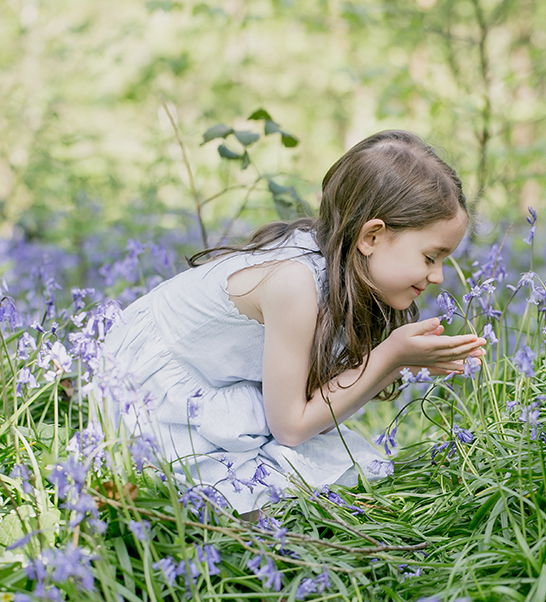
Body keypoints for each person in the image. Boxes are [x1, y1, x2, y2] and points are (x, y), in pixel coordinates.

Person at [97, 129, 486, 517]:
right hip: (148, 394)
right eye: (431, 257)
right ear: (372, 236)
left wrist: (401, 359)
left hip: (220, 384)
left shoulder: (334, 260)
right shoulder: (294, 283)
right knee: (268, 504)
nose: (437, 277)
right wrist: (389, 357)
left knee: (332, 483)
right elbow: (292, 427)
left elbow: (311, 400)